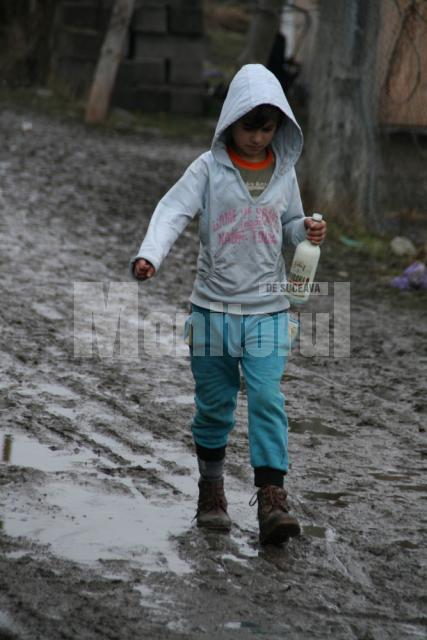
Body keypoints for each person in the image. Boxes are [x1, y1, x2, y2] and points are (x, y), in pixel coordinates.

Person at [131, 64, 326, 545]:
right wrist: (149, 254)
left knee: (265, 397)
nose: (258, 138)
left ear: (280, 127)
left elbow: (291, 223)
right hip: (213, 309)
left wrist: (306, 230)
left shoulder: (284, 170)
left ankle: (272, 497)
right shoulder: (207, 169)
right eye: (248, 127)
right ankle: (212, 490)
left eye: (268, 128)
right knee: (215, 406)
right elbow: (172, 210)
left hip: (268, 308)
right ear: (229, 123)